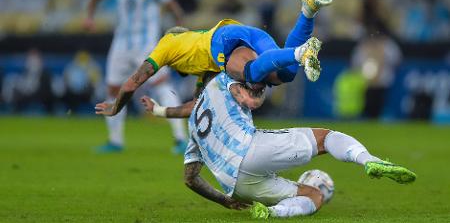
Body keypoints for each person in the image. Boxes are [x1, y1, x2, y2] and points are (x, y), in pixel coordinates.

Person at [140, 72, 416, 219]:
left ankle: (272, 213)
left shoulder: (194, 127)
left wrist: (224, 200)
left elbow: (190, 179)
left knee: (313, 196)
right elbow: (251, 96)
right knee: (325, 137)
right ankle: (367, 159)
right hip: (250, 150)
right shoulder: (223, 81)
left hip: (234, 184)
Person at [95, 0, 332, 119]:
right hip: (248, 34)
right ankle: (308, 10)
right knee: (286, 74)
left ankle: (301, 52)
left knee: (252, 73)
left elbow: (132, 83)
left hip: (223, 40)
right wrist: (158, 110)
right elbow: (196, 105)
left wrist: (116, 107)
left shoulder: (166, 44)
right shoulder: (201, 66)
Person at [85, 0, 187, 153]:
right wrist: (89, 17)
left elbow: (173, 7)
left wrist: (182, 32)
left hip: (147, 44)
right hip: (122, 44)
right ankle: (115, 141)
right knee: (113, 90)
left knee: (161, 84)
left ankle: (181, 139)